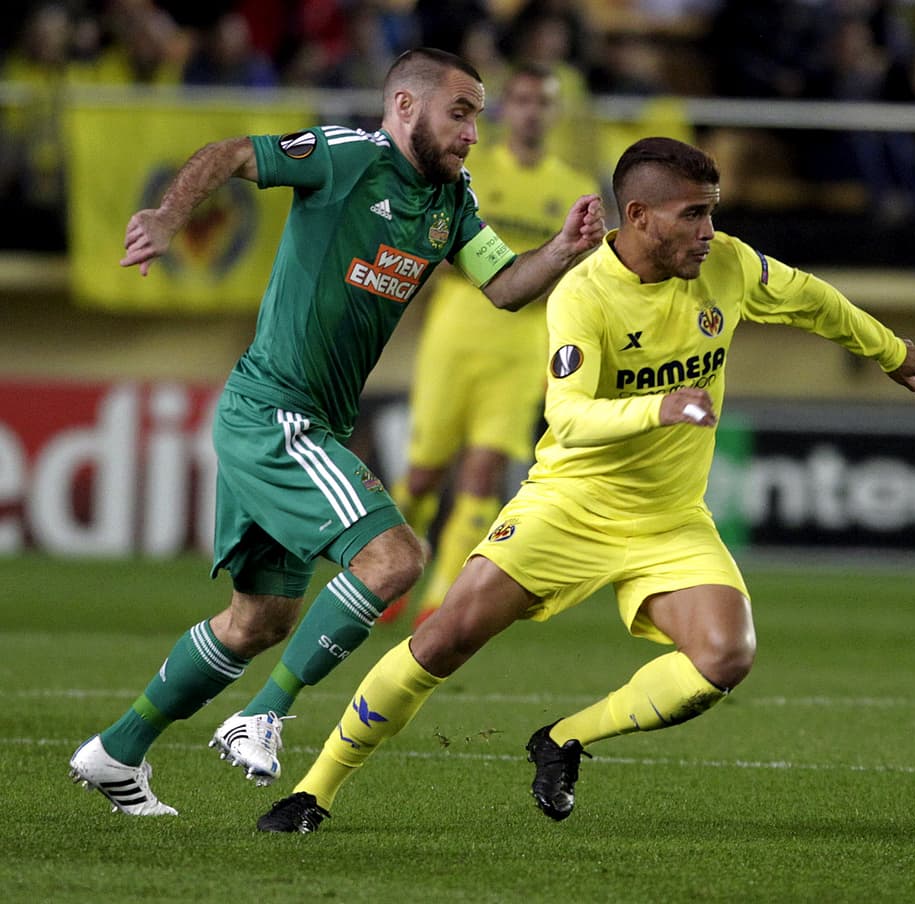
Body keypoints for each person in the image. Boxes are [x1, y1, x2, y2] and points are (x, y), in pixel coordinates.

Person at [255, 136, 915, 833]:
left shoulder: (728, 265)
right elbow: (569, 417)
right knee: (447, 637)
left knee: (724, 657)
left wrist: (889, 351)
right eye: (692, 215)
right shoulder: (583, 293)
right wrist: (660, 407)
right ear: (638, 216)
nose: (709, 232)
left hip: (669, 517)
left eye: (713, 213)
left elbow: (812, 300)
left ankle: (564, 738)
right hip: (570, 504)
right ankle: (315, 789)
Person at [67, 47, 605, 816]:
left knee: (259, 622)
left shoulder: (451, 202)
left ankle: (114, 752)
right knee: (394, 560)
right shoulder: (345, 157)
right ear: (407, 108)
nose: (473, 133)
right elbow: (228, 154)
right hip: (273, 410)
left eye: (478, 117)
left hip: (309, 419)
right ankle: (264, 715)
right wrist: (167, 214)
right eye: (461, 112)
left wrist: (561, 250)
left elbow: (501, 285)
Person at [382, 62, 598, 628]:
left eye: (543, 102)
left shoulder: (573, 189)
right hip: (455, 333)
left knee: (482, 475)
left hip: (524, 344)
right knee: (425, 473)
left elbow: (583, 274)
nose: (532, 111)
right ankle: (390, 573)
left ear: (555, 113)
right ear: (506, 109)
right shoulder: (467, 173)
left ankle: (440, 604)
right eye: (522, 100)